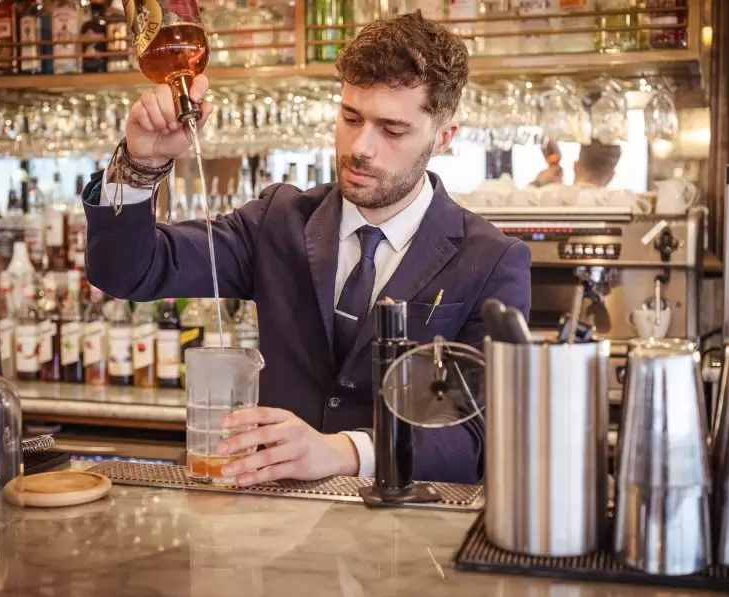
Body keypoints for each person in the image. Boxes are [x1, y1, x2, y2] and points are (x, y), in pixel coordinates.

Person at [82, 11, 531, 486]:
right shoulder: (279, 220)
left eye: (392, 130)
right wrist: (140, 164)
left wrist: (345, 451)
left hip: (409, 536)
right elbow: (127, 271)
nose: (361, 147)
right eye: (350, 117)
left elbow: (483, 436)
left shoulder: (491, 260)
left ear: (443, 137)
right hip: (277, 531)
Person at [531, 140, 622, 188]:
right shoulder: (619, 208)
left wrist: (539, 182)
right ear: (611, 176)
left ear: (575, 167)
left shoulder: (552, 198)